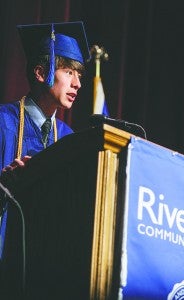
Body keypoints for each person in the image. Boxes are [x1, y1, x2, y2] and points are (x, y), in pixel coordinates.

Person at [0, 21, 91, 296]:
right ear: (41, 72)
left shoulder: (69, 140)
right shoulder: (3, 123)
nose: (77, 83)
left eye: (80, 75)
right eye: (68, 71)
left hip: (45, 273)